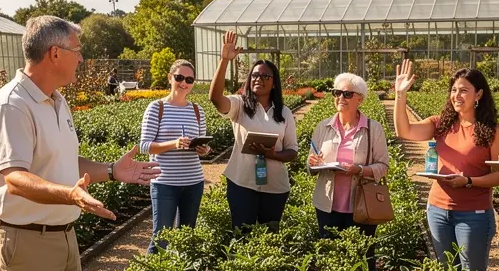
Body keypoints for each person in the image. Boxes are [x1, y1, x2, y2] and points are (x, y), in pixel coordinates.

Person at [0, 15, 160, 271]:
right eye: (77, 51)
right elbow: (15, 177)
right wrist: (70, 195)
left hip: (62, 235)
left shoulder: (57, 101)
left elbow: (64, 163)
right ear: (54, 53)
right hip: (24, 239)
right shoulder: (11, 105)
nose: (81, 59)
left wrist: (111, 171)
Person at [393, 59, 499, 271]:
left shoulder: (492, 131)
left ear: (479, 94)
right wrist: (400, 95)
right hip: (438, 210)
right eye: (454, 90)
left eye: (464, 90)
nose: (457, 95)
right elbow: (404, 130)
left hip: (474, 214)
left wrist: (469, 181)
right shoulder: (441, 124)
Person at [209, 31, 298, 229]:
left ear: (274, 83)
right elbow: (215, 99)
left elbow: (292, 150)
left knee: (270, 235)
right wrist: (224, 60)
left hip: (275, 186)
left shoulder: (284, 113)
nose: (259, 79)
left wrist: (273, 155)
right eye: (255, 75)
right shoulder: (239, 105)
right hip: (242, 183)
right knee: (242, 234)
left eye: (265, 76)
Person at [140, 58, 212, 252]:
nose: (184, 83)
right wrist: (174, 143)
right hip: (164, 183)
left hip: (194, 182)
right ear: (170, 78)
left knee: (187, 238)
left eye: (189, 80)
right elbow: (145, 146)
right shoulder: (156, 108)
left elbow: (202, 143)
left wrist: (204, 150)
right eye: (179, 77)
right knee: (161, 238)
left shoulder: (197, 110)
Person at [307, 72, 390, 239]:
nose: (340, 98)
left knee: (361, 251)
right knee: (330, 250)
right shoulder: (323, 127)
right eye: (337, 93)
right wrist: (312, 163)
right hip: (326, 205)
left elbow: (383, 166)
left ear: (360, 99)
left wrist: (359, 170)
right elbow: (310, 165)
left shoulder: (373, 128)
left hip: (362, 205)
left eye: (347, 94)